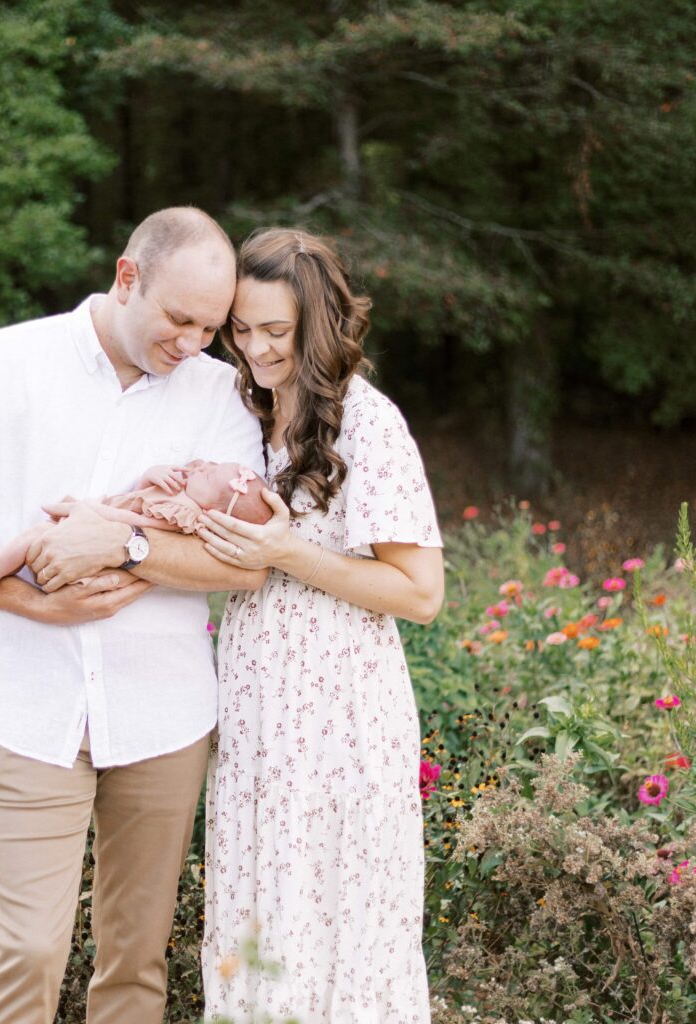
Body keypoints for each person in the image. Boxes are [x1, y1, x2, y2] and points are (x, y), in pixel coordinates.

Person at [0, 206, 266, 1024]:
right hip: (29, 706)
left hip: (164, 716)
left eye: (212, 327)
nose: (194, 344)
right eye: (179, 319)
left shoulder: (220, 397)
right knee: (27, 950)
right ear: (126, 276)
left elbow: (242, 558)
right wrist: (34, 603)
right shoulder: (4, 363)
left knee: (136, 961)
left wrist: (125, 548)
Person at [194, 227, 445, 1022]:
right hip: (256, 711)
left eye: (276, 332)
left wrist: (287, 551)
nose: (256, 350)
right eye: (241, 330)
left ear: (319, 326)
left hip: (339, 716)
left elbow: (420, 592)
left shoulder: (368, 425)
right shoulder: (242, 416)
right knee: (257, 909)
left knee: (339, 921)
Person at [0, 459, 272, 590]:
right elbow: (140, 494)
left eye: (211, 476)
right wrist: (152, 474)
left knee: (40, 533)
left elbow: (141, 524)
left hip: (104, 523)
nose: (204, 467)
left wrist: (97, 516)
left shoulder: (184, 515)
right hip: (100, 519)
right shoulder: (182, 488)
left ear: (212, 508)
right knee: (42, 533)